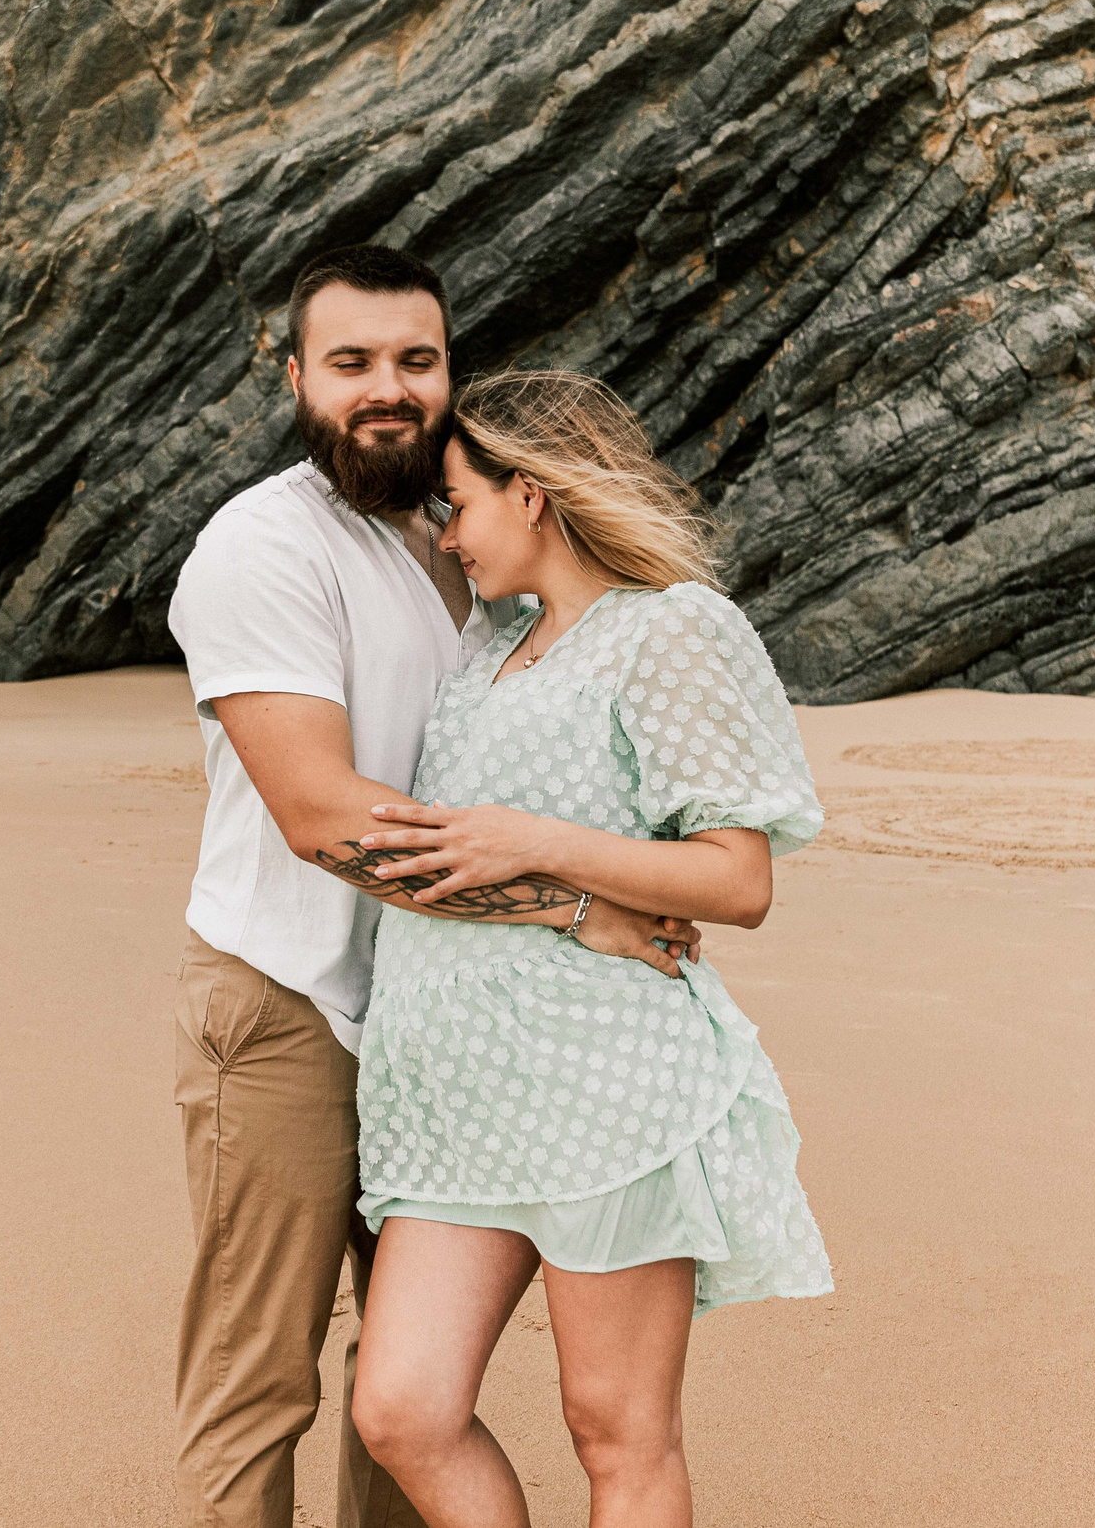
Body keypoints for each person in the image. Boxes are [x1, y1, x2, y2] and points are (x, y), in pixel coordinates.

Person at [165, 248, 702, 1528]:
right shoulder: (262, 545)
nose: (388, 390)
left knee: (405, 1397)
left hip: (438, 1011)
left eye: (417, 360)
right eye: (351, 363)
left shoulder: (466, 538)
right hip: (286, 1000)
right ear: (296, 377)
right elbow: (324, 815)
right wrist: (579, 906)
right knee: (258, 1383)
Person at [340, 369, 834, 1528]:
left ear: (534, 494)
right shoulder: (486, 649)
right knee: (402, 1409)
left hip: (606, 1087)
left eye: (455, 506)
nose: (445, 535)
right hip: (452, 1101)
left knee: (616, 1431)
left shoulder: (670, 630)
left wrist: (539, 843)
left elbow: (736, 877)